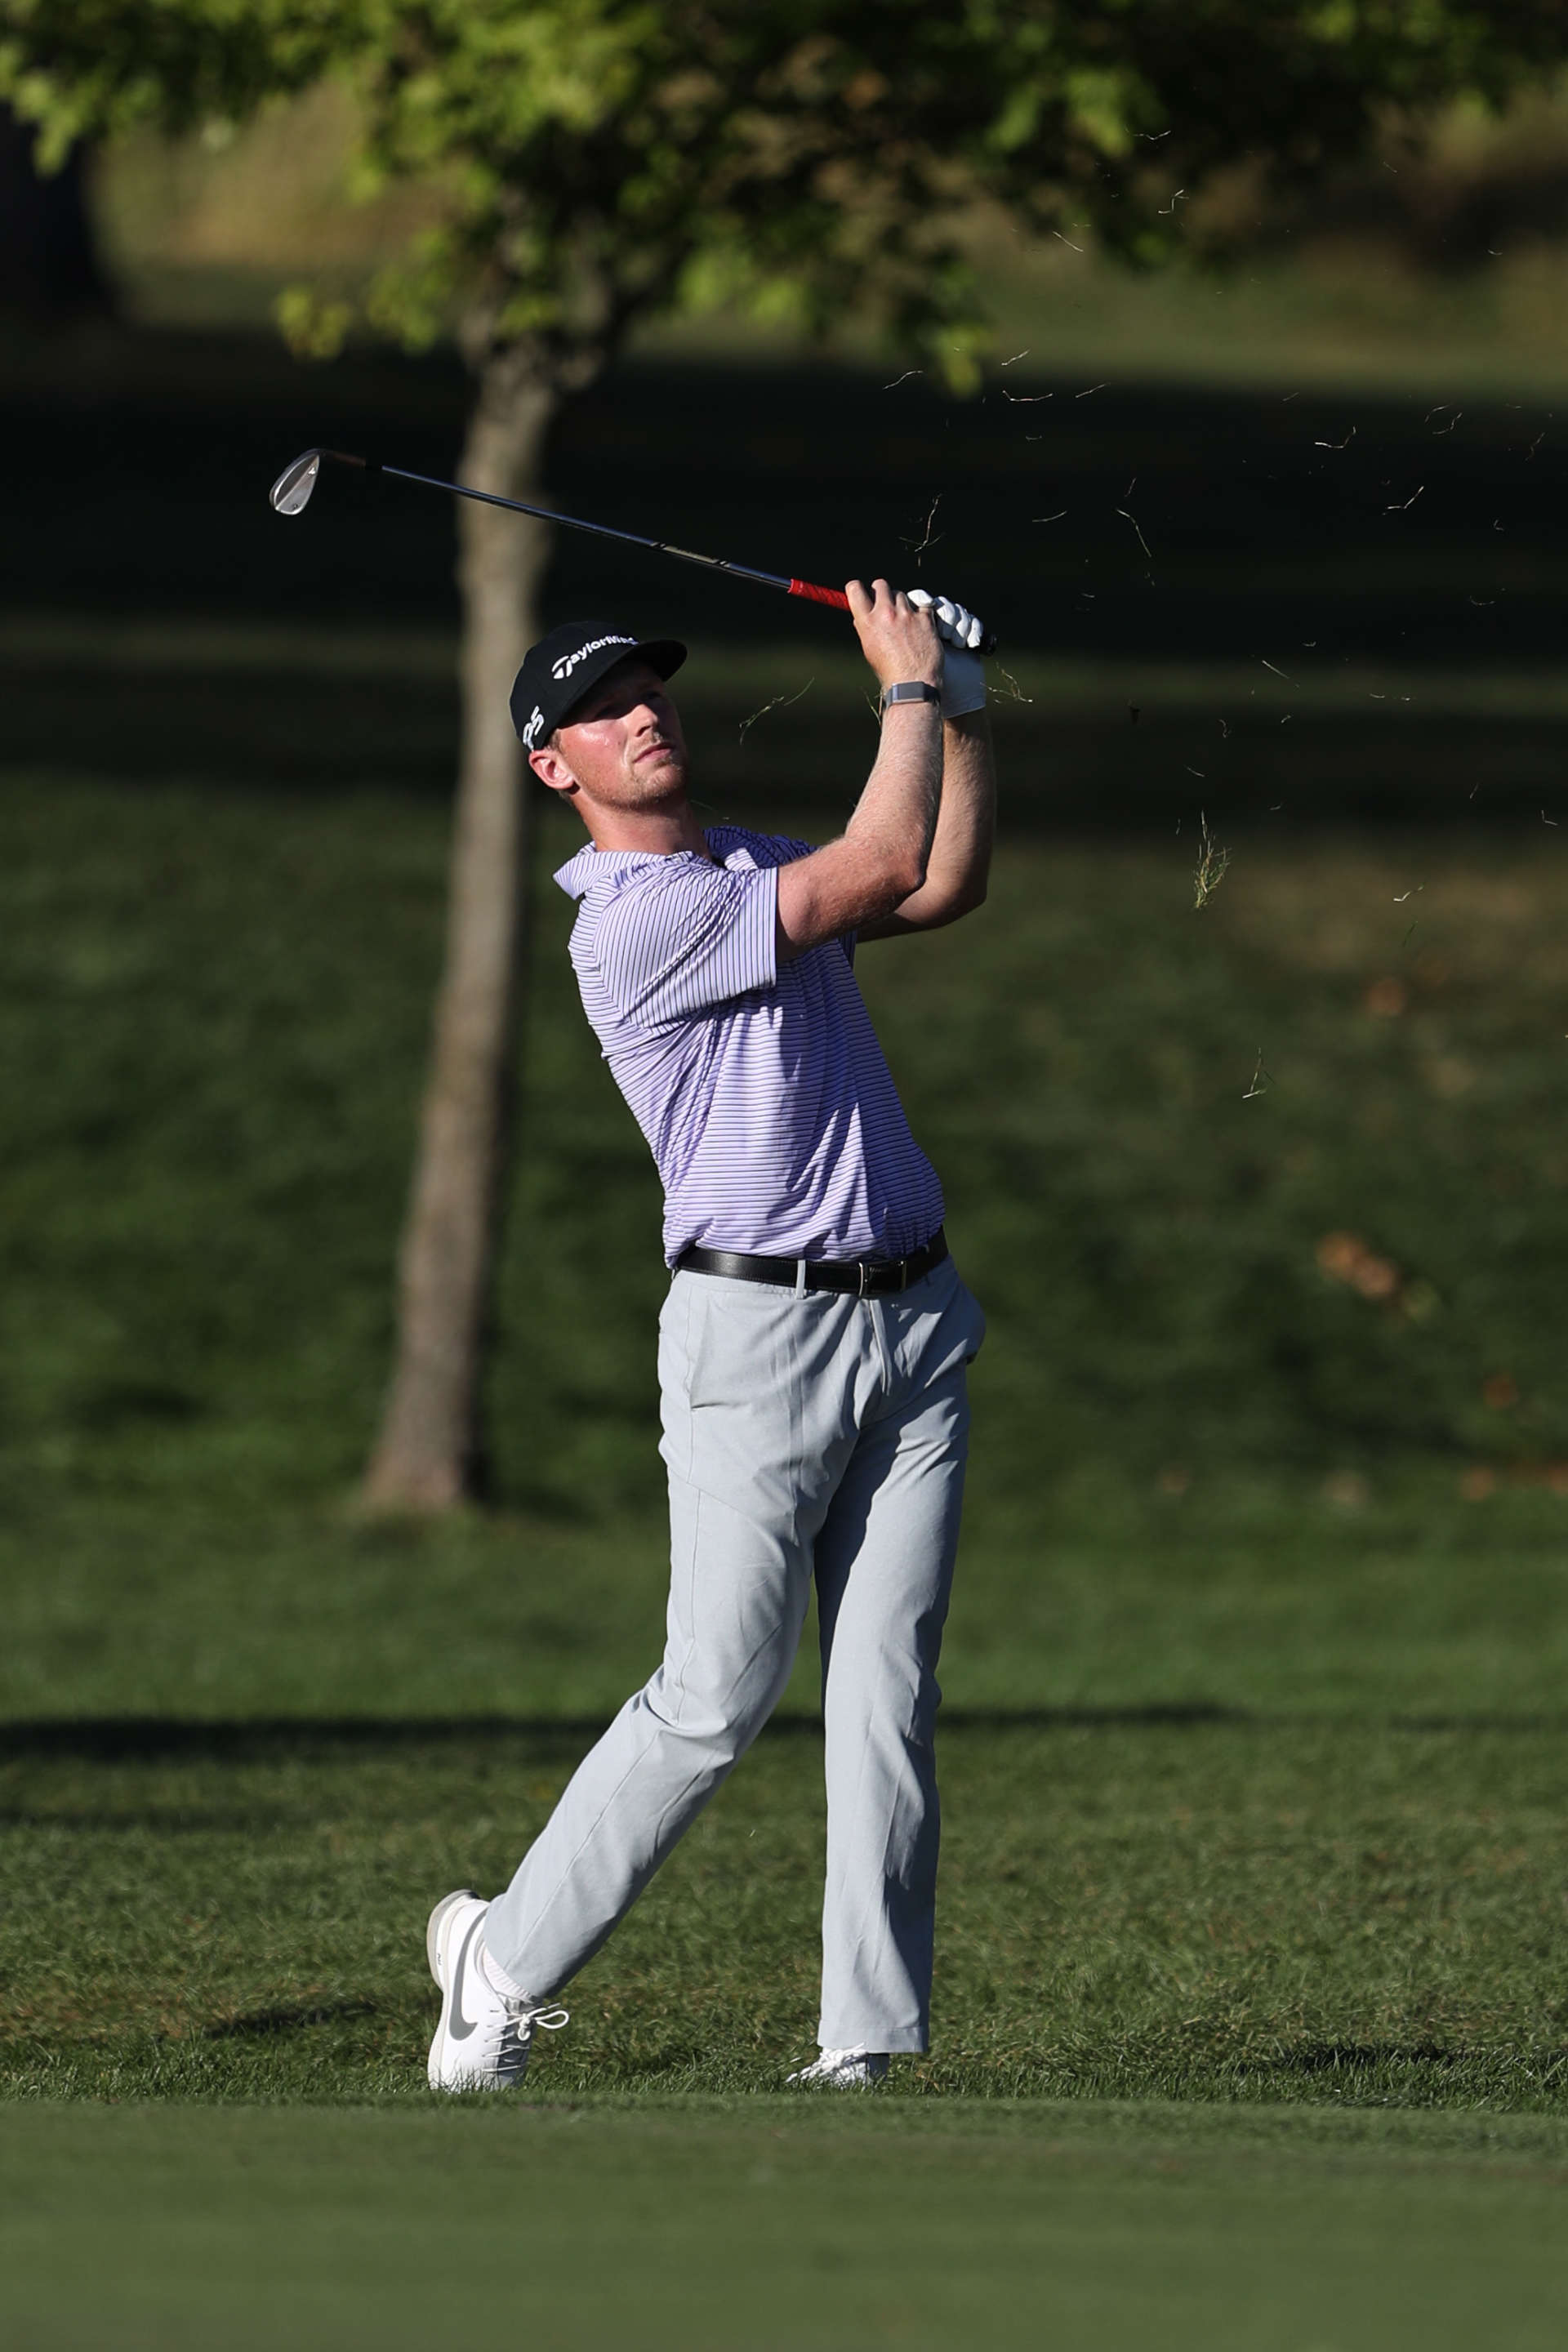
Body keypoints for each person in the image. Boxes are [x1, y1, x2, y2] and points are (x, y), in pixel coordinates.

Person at [425, 578, 994, 2091]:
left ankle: (862, 2048)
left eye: (653, 688)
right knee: (717, 1696)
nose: (644, 710)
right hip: (758, 1343)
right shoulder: (636, 922)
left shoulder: (742, 860)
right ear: (556, 765)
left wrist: (967, 702)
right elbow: (878, 866)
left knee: (888, 1704)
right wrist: (906, 688)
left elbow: (933, 883)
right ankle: (501, 1960)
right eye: (606, 706)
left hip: (915, 1322)